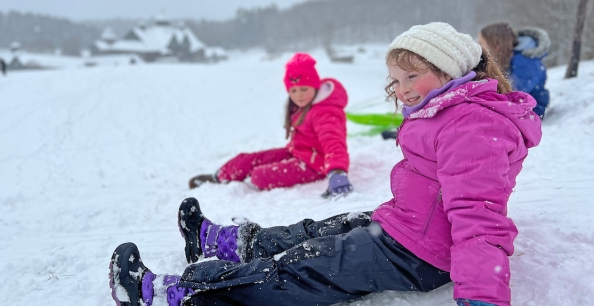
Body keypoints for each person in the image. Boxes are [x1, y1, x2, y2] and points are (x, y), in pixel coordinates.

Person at [109, 23, 542, 306]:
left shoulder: (472, 127)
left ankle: (178, 294)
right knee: (322, 231)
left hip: (420, 253)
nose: (403, 90)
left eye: (414, 77)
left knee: (301, 270)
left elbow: (478, 218)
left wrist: (481, 297)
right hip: (409, 226)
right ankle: (229, 243)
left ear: (451, 71)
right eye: (397, 78)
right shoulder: (453, 110)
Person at [188, 52, 353, 198]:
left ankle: (246, 177)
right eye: (293, 91)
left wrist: (337, 171)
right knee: (246, 160)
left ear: (314, 86)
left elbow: (333, 142)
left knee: (260, 176)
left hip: (316, 165)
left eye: (303, 89)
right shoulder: (304, 105)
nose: (299, 95)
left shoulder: (325, 111)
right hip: (297, 153)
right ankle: (218, 177)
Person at [478, 23, 550, 119]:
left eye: (481, 44)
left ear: (496, 45)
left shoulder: (525, 62)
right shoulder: (505, 57)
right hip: (516, 108)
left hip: (531, 112)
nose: (479, 47)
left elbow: (514, 92)